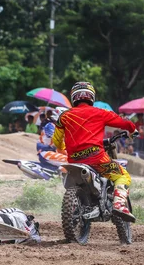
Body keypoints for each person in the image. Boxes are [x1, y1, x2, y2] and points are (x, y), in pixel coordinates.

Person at [52, 81, 137, 222]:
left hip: (74, 160)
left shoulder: (64, 116)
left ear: (74, 98)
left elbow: (56, 140)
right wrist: (132, 130)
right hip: (96, 158)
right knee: (122, 175)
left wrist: (62, 148)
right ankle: (119, 204)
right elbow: (123, 122)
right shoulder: (100, 113)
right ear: (91, 97)